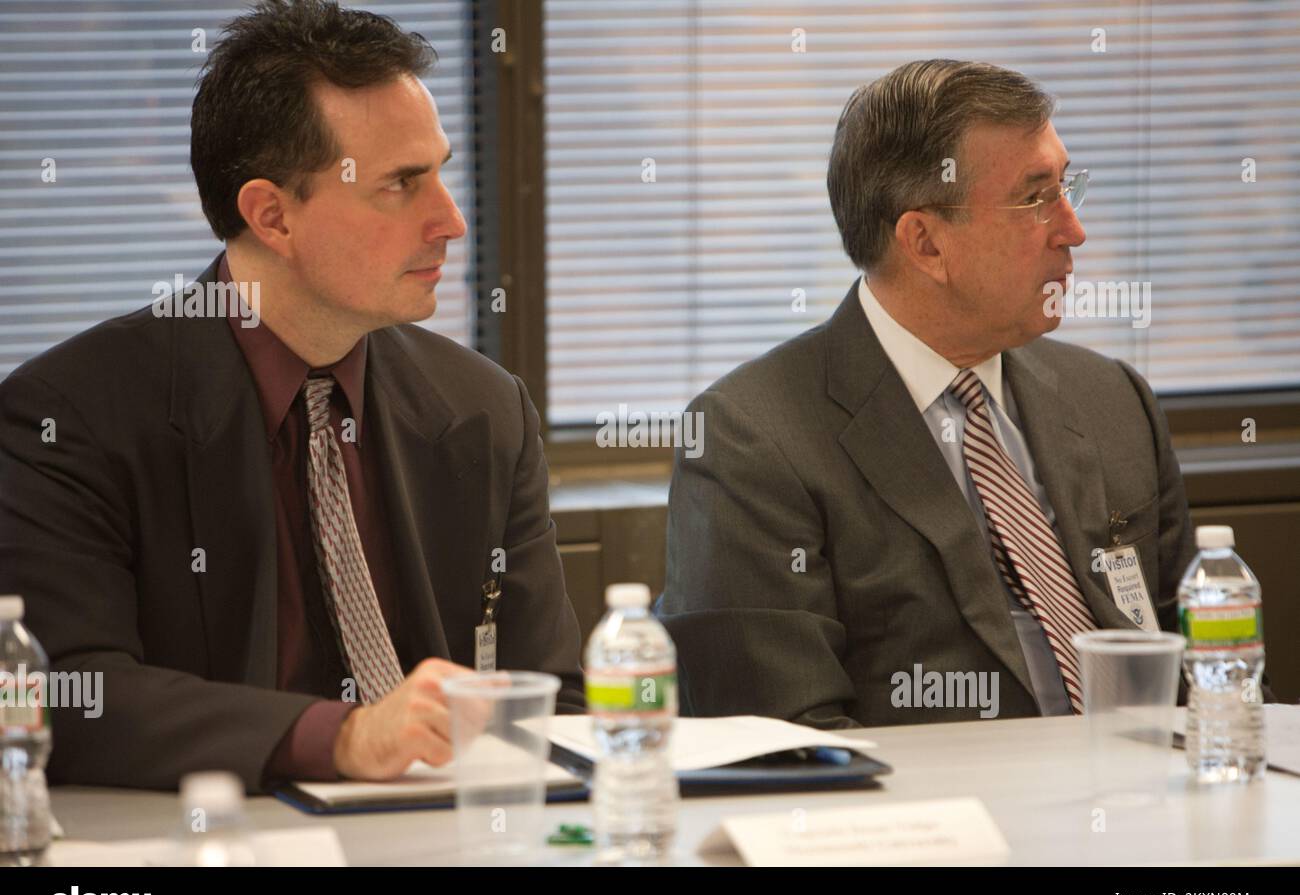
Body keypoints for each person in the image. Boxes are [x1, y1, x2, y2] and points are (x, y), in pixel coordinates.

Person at [0, 0, 582, 792]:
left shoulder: (484, 407)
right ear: (271, 215)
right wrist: (342, 738)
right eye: (401, 185)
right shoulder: (68, 417)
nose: (449, 221)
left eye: (441, 172)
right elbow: (65, 696)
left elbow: (551, 694)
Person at [659, 59, 1201, 727]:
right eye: (1036, 198)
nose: (1072, 229)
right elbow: (790, 745)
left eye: (1068, 187)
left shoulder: (1111, 399)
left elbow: (1213, 662)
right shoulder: (751, 441)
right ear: (925, 243)